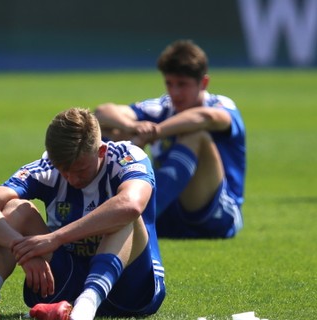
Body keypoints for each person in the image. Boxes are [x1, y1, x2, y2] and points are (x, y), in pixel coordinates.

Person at [0, 107, 165, 320]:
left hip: (132, 290)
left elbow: (131, 205)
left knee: (123, 214)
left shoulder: (127, 157)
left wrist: (55, 239)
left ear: (101, 151)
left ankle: (89, 301)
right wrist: (21, 248)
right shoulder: (47, 167)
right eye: (64, 170)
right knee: (15, 209)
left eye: (80, 169)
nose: (72, 178)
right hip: (67, 280)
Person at [95, 40, 246, 239]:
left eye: (182, 84)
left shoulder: (220, 104)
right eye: (169, 83)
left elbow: (205, 117)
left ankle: (137, 214)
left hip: (216, 214)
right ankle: (105, 210)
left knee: (196, 135)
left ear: (204, 83)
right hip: (170, 216)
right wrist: (132, 129)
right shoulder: (161, 108)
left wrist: (156, 131)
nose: (174, 92)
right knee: (114, 132)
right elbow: (102, 112)